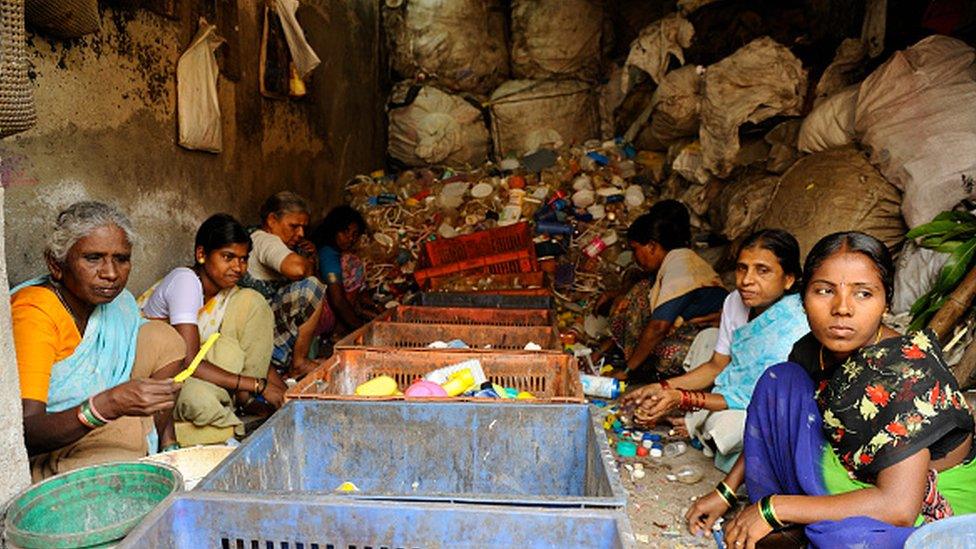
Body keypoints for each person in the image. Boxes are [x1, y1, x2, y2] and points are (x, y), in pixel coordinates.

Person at [686, 232, 976, 548]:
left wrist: (775, 508)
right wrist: (725, 492)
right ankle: (792, 524)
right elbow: (772, 424)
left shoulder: (906, 371)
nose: (842, 308)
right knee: (780, 381)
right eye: (824, 291)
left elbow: (898, 508)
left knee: (850, 538)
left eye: (863, 294)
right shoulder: (811, 349)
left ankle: (793, 519)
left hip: (916, 498)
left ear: (885, 303)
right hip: (850, 472)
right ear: (802, 299)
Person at [11, 201, 185, 481]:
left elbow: (159, 352)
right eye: (93, 258)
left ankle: (146, 449)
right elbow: (22, 431)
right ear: (56, 265)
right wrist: (107, 405)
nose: (111, 273)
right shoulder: (35, 312)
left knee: (164, 338)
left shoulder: (120, 304)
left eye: (121, 258)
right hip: (53, 445)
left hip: (105, 421)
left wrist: (170, 444)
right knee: (123, 442)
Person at [622, 229, 809, 472]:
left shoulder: (794, 325)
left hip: (764, 406)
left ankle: (701, 423)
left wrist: (682, 398)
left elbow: (754, 397)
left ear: (788, 279)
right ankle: (698, 420)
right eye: (742, 268)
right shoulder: (734, 301)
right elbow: (717, 365)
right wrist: (664, 387)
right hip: (732, 387)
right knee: (707, 338)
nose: (746, 280)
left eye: (762, 270)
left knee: (728, 428)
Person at [140, 214, 286, 445]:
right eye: (228, 257)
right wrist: (258, 386)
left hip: (195, 370)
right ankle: (226, 422)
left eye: (243, 259)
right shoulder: (186, 282)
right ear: (201, 254)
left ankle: (238, 407)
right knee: (201, 401)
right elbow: (188, 360)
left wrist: (284, 393)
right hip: (163, 376)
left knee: (243, 321)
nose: (238, 267)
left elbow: (252, 350)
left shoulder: (227, 293)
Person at [606, 200, 728, 380]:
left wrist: (626, 371)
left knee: (665, 351)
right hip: (693, 334)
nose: (634, 257)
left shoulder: (681, 265)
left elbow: (658, 327)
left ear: (653, 245)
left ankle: (638, 368)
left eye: (635, 250)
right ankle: (636, 364)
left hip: (706, 342)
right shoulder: (671, 265)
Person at [239, 191, 327, 378]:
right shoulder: (264, 239)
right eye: (294, 226)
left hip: (263, 328)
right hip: (255, 333)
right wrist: (307, 263)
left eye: (303, 227)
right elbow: (298, 269)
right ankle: (299, 362)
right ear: (271, 220)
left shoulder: (283, 244)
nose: (301, 234)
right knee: (311, 288)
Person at [311, 205, 379, 334]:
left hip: (324, 312)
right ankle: (339, 331)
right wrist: (362, 330)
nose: (350, 239)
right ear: (334, 231)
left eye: (354, 234)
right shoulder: (329, 255)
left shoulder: (331, 252)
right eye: (345, 232)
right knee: (353, 263)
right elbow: (338, 300)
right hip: (323, 317)